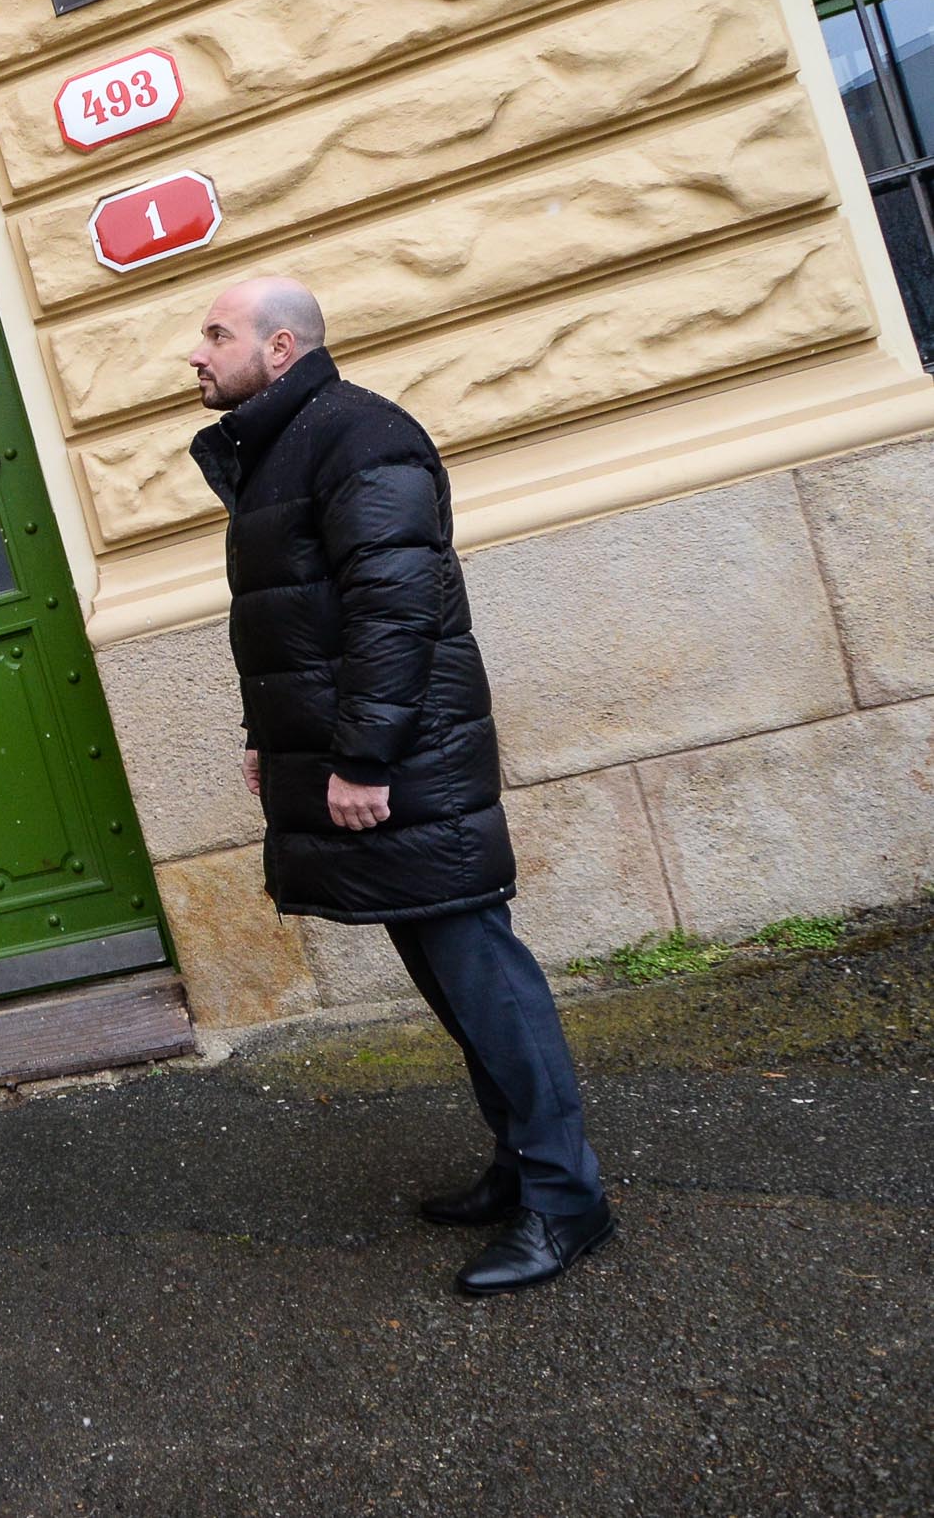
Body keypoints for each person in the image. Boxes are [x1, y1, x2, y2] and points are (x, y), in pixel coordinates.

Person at [184, 277, 614, 1295]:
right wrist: (264, 737)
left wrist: (365, 758)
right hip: (378, 762)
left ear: (280, 348)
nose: (195, 354)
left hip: (411, 769)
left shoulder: (358, 438)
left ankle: (568, 1200)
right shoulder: (287, 445)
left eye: (215, 334)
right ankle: (521, 1165)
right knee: (457, 987)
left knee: (489, 984)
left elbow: (394, 606)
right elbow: (296, 619)